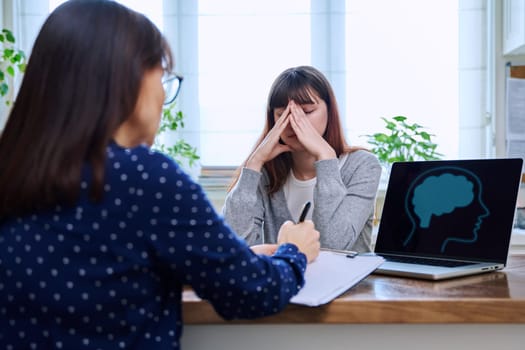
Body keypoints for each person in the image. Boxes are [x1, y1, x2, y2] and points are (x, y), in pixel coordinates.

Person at [0, 1, 320, 349]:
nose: (164, 92)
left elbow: (96, 275)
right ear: (129, 78)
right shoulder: (146, 179)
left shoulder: (14, 169)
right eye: (163, 75)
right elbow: (253, 292)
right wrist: (294, 250)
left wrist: (219, 260)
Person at [223, 66, 381, 252]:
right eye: (283, 115)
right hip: (286, 280)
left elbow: (333, 245)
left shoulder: (363, 166)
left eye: (306, 112)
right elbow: (235, 249)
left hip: (350, 281)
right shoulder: (266, 173)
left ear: (329, 112)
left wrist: (326, 157)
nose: (294, 122)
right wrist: (254, 163)